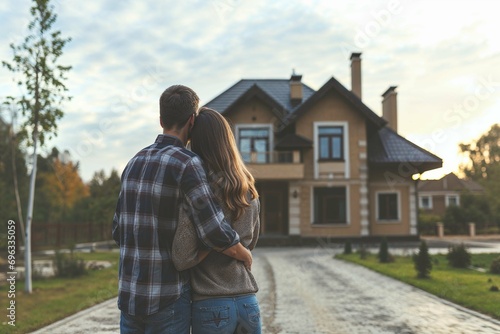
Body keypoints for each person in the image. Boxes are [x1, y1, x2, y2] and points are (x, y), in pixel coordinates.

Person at [112, 85, 252, 334]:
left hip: (130, 298)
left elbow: (117, 230)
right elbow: (213, 230)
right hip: (168, 299)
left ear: (161, 119)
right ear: (192, 120)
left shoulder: (133, 163)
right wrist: (244, 254)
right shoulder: (187, 163)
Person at [172, 107, 262, 334]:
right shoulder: (248, 189)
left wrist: (210, 244)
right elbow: (248, 244)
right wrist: (232, 248)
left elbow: (182, 257)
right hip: (247, 302)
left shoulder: (197, 193)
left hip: (211, 305)